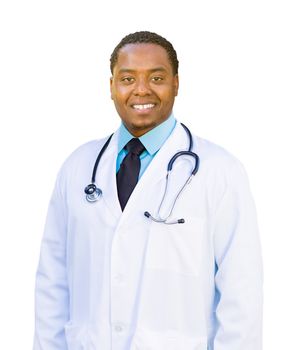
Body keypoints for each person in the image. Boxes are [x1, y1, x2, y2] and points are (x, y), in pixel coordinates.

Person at [33, 31, 263, 350]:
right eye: (128, 78)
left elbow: (242, 293)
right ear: (111, 86)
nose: (141, 89)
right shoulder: (77, 168)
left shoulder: (220, 171)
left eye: (156, 77)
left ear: (177, 84)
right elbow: (52, 285)